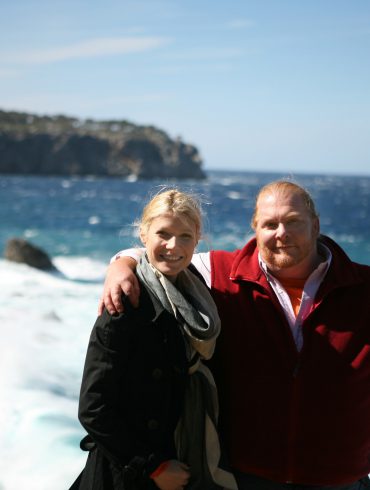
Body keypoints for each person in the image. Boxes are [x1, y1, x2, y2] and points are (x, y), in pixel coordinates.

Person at [99, 180, 370, 490]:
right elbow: (164, 256)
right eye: (270, 224)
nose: (281, 233)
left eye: (293, 222)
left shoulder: (362, 288)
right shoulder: (219, 273)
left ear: (315, 225)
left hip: (340, 479)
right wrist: (123, 263)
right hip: (244, 476)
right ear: (255, 227)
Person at [71, 189, 237, 490]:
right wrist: (152, 466)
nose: (173, 246)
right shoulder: (125, 301)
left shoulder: (198, 294)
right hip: (128, 475)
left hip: (182, 456)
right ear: (143, 234)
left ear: (197, 238)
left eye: (185, 236)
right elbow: (93, 407)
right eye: (163, 233)